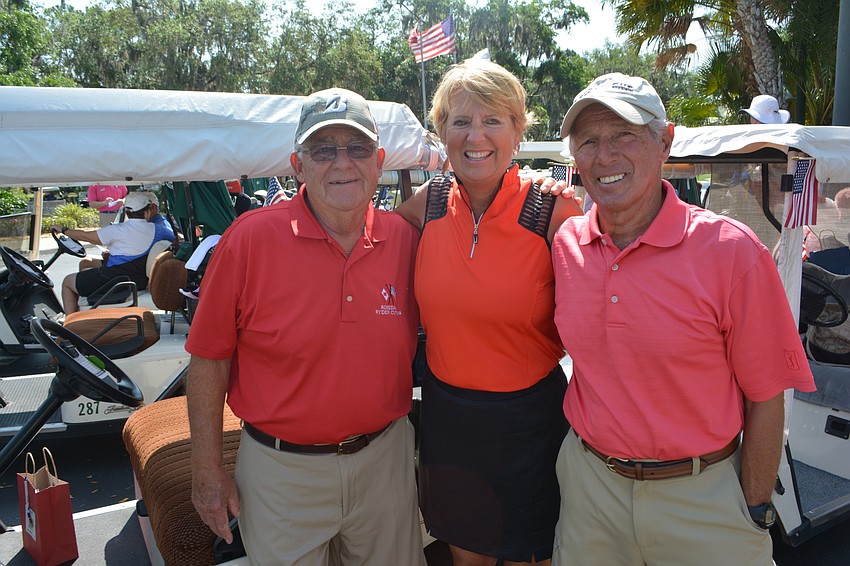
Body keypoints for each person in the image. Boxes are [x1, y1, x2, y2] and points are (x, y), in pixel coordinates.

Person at [551, 72, 816, 565]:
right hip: (592, 493)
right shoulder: (565, 244)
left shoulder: (732, 252)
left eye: (624, 134)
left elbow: (766, 397)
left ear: (664, 141)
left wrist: (755, 509)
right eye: (587, 140)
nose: (604, 155)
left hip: (704, 500)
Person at [184, 88, 426, 565]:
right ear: (298, 165)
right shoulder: (249, 240)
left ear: (378, 162)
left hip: (386, 462)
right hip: (280, 471)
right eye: (323, 151)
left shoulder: (406, 240)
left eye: (357, 149)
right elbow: (209, 360)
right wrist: (206, 470)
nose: (342, 164)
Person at [395, 59, 582, 566]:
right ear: (443, 133)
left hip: (530, 421)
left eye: (493, 120)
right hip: (449, 417)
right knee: (466, 556)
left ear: (518, 131)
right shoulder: (426, 204)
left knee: (533, 557)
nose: (476, 135)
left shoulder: (555, 212)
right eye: (461, 121)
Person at [52, 192, 166, 313]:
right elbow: (173, 238)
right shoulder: (158, 229)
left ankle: (70, 324)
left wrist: (63, 230)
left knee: (67, 282)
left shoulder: (116, 230)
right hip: (138, 280)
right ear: (147, 211)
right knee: (86, 267)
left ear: (126, 212)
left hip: (114, 279)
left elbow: (85, 236)